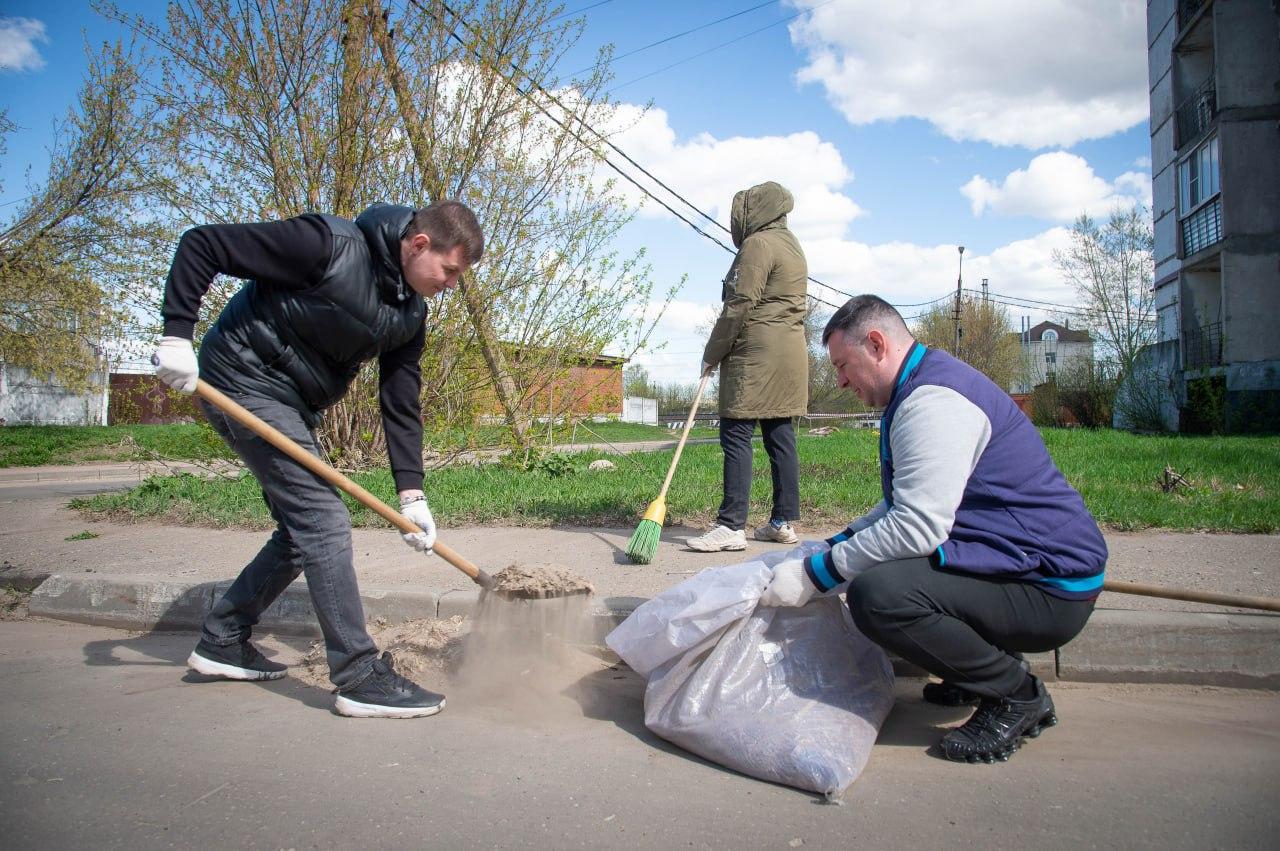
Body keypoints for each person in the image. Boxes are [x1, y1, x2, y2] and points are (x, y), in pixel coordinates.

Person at [153, 201, 484, 718]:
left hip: (290, 403)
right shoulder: (327, 246)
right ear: (420, 245)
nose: (452, 284)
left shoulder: (410, 314)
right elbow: (204, 244)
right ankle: (357, 675)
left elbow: (400, 400)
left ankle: (223, 638)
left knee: (299, 531)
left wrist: (412, 493)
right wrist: (177, 334)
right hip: (239, 378)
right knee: (324, 521)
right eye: (450, 271)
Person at [761, 295, 1106, 763]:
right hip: (1019, 565)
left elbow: (917, 526)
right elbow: (905, 502)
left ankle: (1016, 694)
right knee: (883, 571)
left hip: (1050, 587)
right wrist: (835, 544)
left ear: (877, 345)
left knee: (879, 594)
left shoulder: (932, 402)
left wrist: (816, 575)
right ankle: (975, 673)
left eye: (843, 365)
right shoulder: (923, 385)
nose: (840, 380)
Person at [688, 181, 809, 553]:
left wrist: (713, 351)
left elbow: (740, 303)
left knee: (736, 433)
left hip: (756, 354)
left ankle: (730, 525)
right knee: (780, 436)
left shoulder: (758, 244)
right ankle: (781, 521)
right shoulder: (792, 245)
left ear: (751, 212)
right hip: (790, 353)